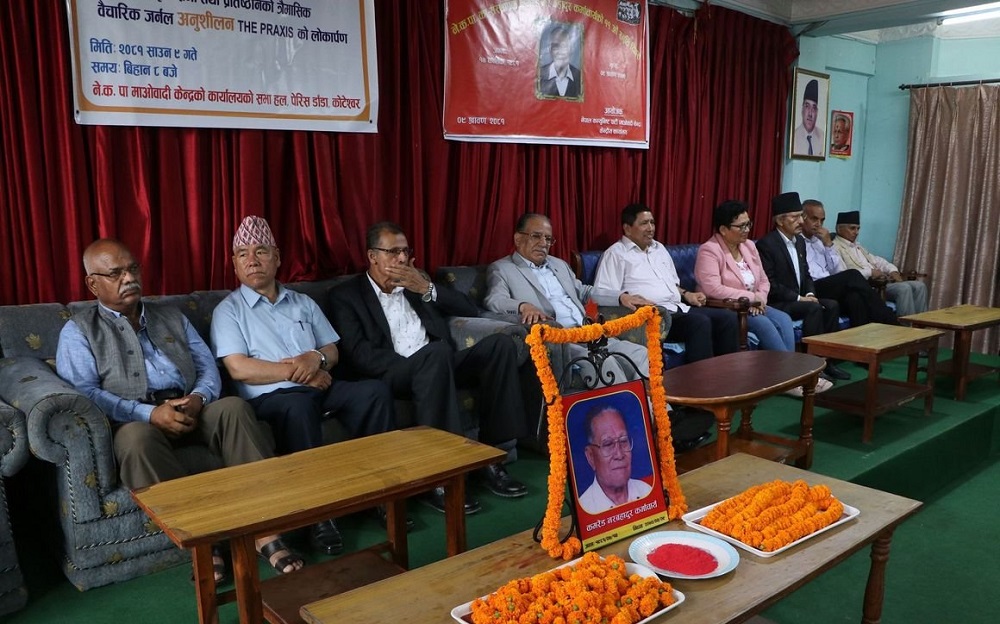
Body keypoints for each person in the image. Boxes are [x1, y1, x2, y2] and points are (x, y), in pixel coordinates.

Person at [56, 238, 303, 582]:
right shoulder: (78, 330)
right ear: (93, 284)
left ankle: (265, 532)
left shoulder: (171, 315)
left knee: (232, 408)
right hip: (135, 419)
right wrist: (148, 413)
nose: (129, 278)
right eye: (115, 273)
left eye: (133, 269)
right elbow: (85, 393)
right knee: (136, 441)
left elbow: (206, 365)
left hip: (191, 405)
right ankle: (206, 544)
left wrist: (200, 397)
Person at [211, 216, 395, 556]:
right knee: (298, 405)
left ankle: (380, 495)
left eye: (261, 251)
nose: (252, 260)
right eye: (242, 254)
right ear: (234, 264)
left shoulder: (302, 302)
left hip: (318, 384)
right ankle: (318, 517)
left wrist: (316, 359)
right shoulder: (228, 311)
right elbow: (239, 368)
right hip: (272, 398)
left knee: (374, 392)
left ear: (277, 257)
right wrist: (299, 371)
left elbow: (331, 350)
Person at [329, 221, 530, 514]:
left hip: (439, 364)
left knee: (499, 346)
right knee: (435, 353)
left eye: (406, 251)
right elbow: (358, 353)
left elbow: (469, 309)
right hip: (393, 373)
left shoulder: (416, 283)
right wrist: (417, 364)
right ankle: (439, 478)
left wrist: (426, 288)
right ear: (372, 256)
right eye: (393, 252)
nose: (402, 258)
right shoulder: (346, 295)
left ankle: (492, 457)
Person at [484, 213, 650, 383]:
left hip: (588, 332)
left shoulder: (559, 264)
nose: (543, 243)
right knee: (604, 363)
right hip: (560, 341)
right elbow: (494, 300)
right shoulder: (503, 268)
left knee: (642, 354)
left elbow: (583, 291)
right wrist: (523, 306)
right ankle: (627, 401)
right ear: (518, 238)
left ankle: (652, 401)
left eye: (548, 239)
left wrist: (620, 297)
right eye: (536, 236)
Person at [694, 201, 832, 395]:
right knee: (765, 324)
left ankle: (788, 377)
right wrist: (752, 298)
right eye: (741, 226)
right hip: (730, 308)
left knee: (783, 319)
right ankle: (791, 379)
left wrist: (760, 298)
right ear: (724, 229)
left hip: (756, 304)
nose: (746, 230)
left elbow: (764, 280)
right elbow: (713, 289)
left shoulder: (749, 246)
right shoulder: (709, 250)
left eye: (748, 224)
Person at [593, 203, 739, 363]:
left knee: (728, 318)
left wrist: (686, 294)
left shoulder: (659, 249)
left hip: (678, 308)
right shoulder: (615, 254)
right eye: (644, 223)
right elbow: (602, 294)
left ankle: (728, 373)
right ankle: (701, 378)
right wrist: (626, 299)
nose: (650, 228)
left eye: (652, 222)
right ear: (627, 228)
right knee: (699, 323)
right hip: (653, 317)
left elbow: (672, 284)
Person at [756, 192, 850, 381]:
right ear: (780, 221)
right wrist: (800, 298)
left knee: (831, 305)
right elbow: (770, 284)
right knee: (813, 308)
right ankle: (811, 367)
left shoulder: (799, 241)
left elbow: (806, 274)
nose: (801, 221)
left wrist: (810, 293)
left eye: (801, 216)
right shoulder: (767, 244)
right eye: (795, 217)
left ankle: (827, 362)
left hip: (800, 298)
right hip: (779, 302)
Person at [801, 199, 898, 327]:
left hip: (829, 285)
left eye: (822, 220)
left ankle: (861, 338)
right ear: (802, 217)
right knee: (852, 275)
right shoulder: (797, 241)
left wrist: (828, 244)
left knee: (855, 297)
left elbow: (836, 270)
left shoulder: (821, 241)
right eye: (814, 219)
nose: (819, 224)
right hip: (811, 287)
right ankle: (890, 319)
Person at [833, 211, 928, 317]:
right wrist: (870, 272)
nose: (856, 232)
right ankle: (905, 326)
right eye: (852, 228)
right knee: (904, 288)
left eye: (858, 228)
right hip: (869, 286)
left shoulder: (858, 246)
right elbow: (843, 275)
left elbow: (878, 261)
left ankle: (921, 324)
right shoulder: (834, 247)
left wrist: (893, 271)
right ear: (839, 229)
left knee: (920, 286)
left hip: (882, 282)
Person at [577, 406, 651, 513]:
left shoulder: (647, 492)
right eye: (608, 444)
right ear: (591, 456)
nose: (619, 455)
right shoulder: (586, 509)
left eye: (623, 441)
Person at [538, 24, 581, 99]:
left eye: (564, 46)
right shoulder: (539, 75)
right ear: (550, 50)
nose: (560, 51)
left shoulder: (579, 77)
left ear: (571, 49)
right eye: (556, 46)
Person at [793, 79, 825, 157]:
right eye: (807, 106)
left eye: (814, 108)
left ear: (817, 112)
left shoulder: (822, 137)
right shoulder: (794, 137)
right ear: (802, 109)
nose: (810, 114)